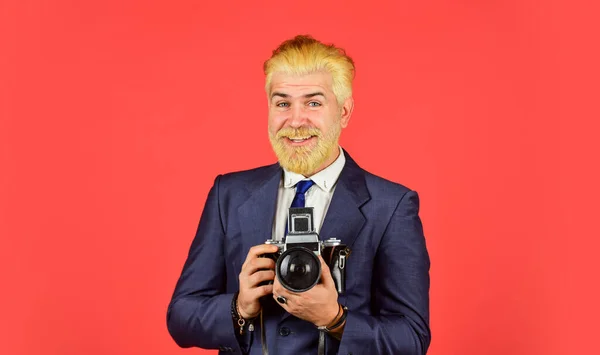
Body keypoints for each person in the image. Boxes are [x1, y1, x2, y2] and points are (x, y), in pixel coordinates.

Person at [167, 35, 431, 355]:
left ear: (344, 112)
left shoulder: (390, 207)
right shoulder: (230, 195)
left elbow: (412, 339)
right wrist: (238, 307)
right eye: (283, 103)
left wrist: (334, 319)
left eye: (313, 102)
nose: (295, 120)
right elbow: (181, 317)